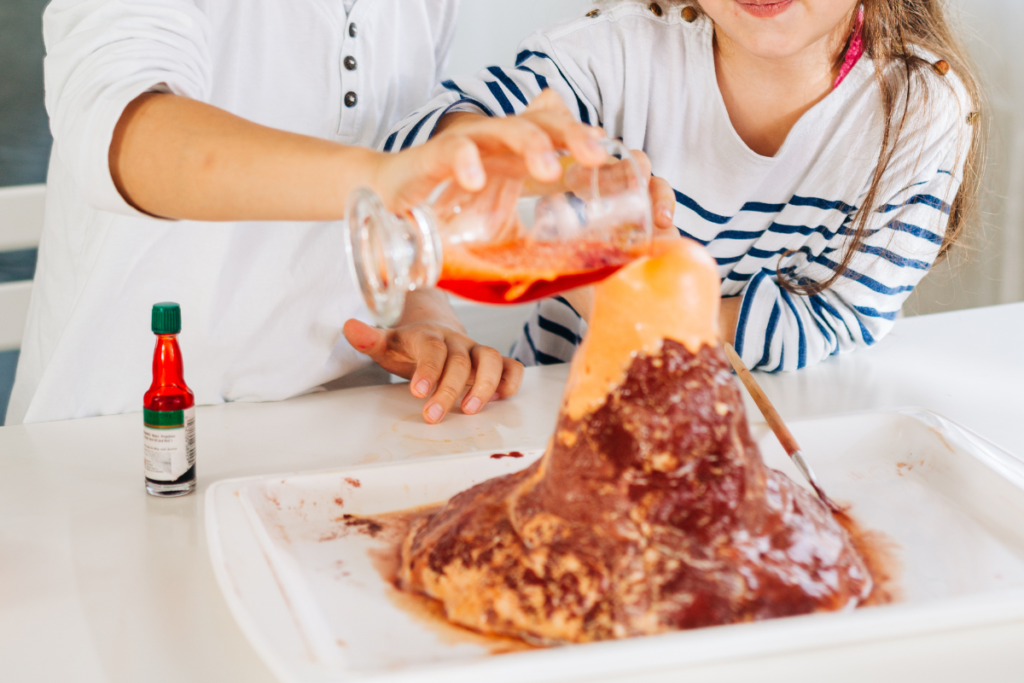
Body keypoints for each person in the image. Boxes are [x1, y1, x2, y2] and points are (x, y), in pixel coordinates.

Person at [7, 0, 612, 426]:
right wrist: (375, 179)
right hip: (115, 435)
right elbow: (125, 136)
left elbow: (390, 190)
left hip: (329, 427)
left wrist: (425, 313)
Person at [387, 0, 983, 372]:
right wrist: (492, 150)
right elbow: (426, 145)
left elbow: (842, 318)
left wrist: (637, 302)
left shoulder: (920, 112)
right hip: (559, 401)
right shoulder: (616, 50)